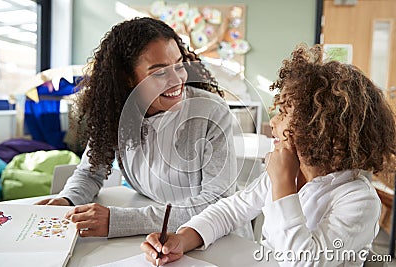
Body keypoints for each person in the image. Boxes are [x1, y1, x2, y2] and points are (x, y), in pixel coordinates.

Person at [141, 44, 396, 266]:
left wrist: (284, 184)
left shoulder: (359, 200)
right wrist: (184, 238)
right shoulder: (291, 171)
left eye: (284, 113)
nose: (273, 123)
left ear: (321, 128)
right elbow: (232, 210)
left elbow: (300, 261)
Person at [36, 17, 251, 239]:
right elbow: (90, 173)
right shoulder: (116, 114)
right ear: (128, 78)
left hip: (219, 238)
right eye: (159, 72)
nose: (177, 80)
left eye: (180, 65)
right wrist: (67, 199)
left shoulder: (210, 111)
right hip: (157, 236)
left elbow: (215, 203)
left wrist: (120, 221)